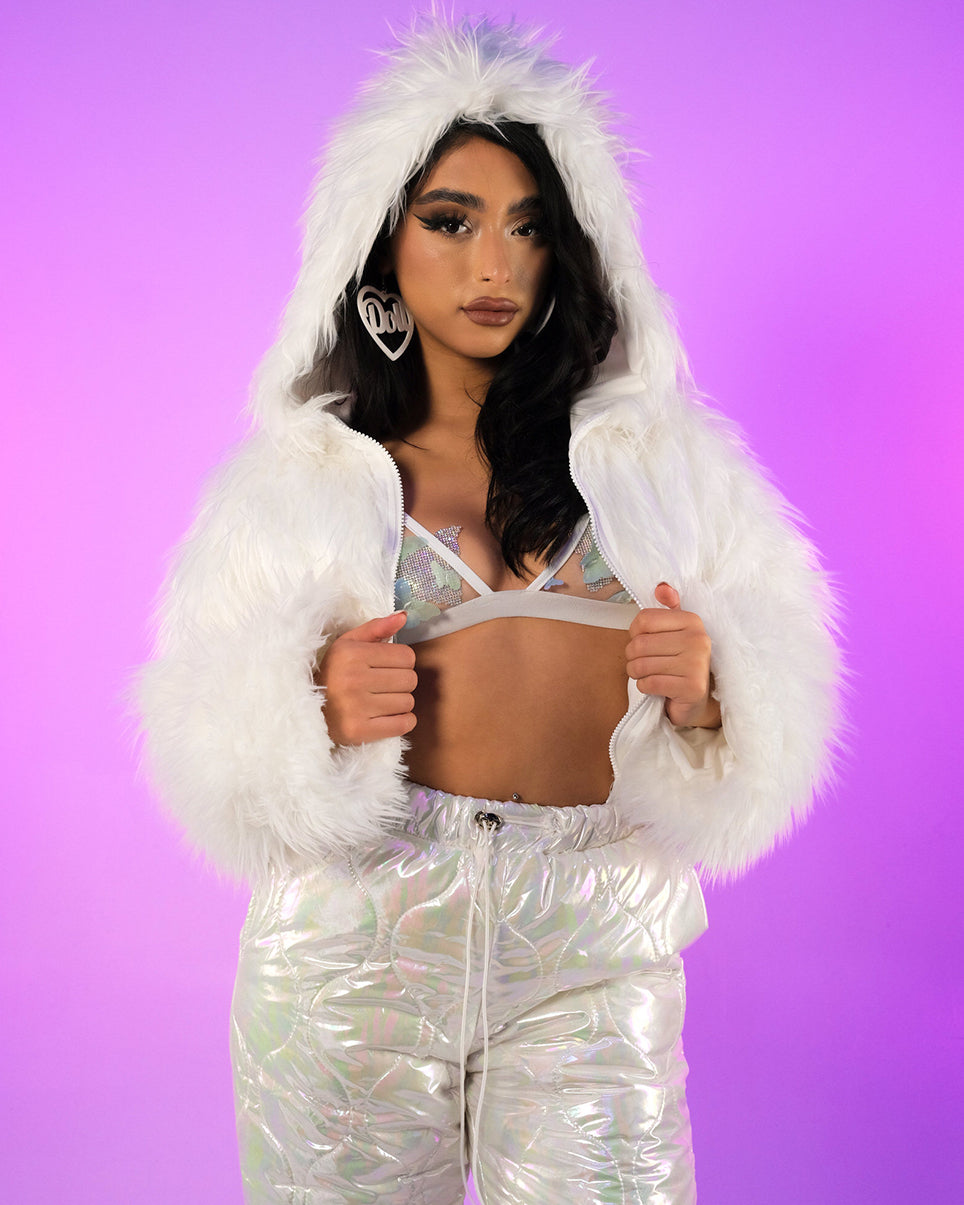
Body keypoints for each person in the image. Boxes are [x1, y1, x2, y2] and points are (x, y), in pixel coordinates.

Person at [137, 16, 842, 1205]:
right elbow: (201, 734)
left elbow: (789, 684)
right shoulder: (296, 483)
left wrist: (720, 689)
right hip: (354, 942)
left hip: (592, 946)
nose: (494, 266)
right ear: (379, 246)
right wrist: (306, 704)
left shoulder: (667, 467)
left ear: (571, 249)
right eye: (451, 221)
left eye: (528, 226)